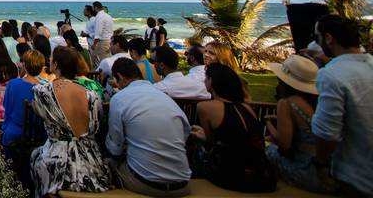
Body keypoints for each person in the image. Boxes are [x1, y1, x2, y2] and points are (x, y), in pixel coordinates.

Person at [31, 46, 112, 195]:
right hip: (90, 161)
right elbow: (97, 123)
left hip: (56, 160)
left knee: (35, 159)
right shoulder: (91, 94)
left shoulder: (42, 91)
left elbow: (41, 116)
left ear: (55, 65)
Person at [106, 58, 191, 197]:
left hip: (146, 183)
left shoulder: (119, 98)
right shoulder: (165, 96)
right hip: (182, 183)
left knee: (109, 164)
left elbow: (115, 147)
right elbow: (185, 133)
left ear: (120, 77)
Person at [311, 14, 373, 196]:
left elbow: (327, 133)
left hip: (356, 177)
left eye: (318, 37)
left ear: (329, 38)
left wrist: (321, 163)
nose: (318, 42)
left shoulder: (332, 75)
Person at [191, 63, 276, 192]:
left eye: (206, 78)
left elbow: (210, 143)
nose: (204, 81)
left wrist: (202, 135)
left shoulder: (205, 107)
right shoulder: (246, 107)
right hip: (263, 176)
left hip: (234, 177)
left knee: (194, 148)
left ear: (211, 81)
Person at [263, 55, 330, 194]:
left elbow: (284, 144)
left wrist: (268, 123)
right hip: (328, 170)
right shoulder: (318, 101)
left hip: (306, 170)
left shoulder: (287, 103)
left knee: (267, 150)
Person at [0, 50, 43, 151]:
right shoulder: (43, 89)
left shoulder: (12, 84)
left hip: (13, 132)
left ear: (25, 65)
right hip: (36, 136)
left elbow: (7, 108)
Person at [90, 1, 113, 68]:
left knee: (101, 62)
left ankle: (101, 76)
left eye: (93, 8)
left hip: (103, 42)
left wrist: (94, 44)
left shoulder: (99, 17)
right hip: (109, 41)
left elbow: (98, 33)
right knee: (106, 60)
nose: (93, 10)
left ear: (96, 8)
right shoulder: (108, 16)